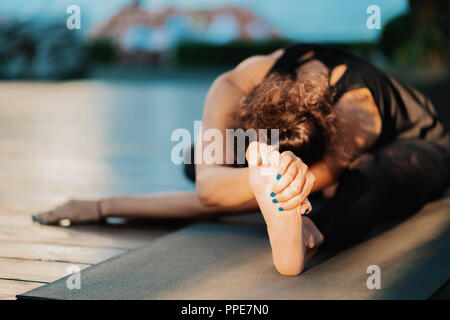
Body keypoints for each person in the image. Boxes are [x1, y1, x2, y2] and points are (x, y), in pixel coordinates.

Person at [33, 44, 450, 276]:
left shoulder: (356, 111)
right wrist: (102, 207)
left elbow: (221, 197)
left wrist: (291, 185)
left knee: (369, 175)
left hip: (417, 149)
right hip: (292, 158)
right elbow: (209, 191)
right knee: (196, 158)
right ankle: (289, 205)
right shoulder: (232, 86)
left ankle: (307, 235)